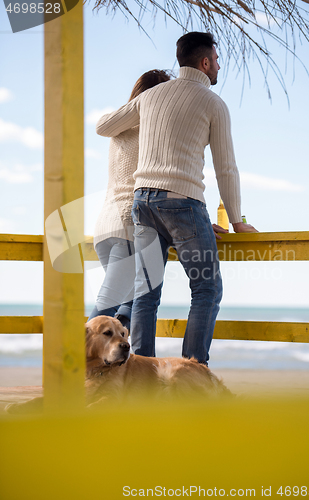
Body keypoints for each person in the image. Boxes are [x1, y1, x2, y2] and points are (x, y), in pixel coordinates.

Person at [95, 32, 258, 364]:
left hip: (143, 203)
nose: (219, 66)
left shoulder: (152, 97)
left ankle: (141, 372)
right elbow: (226, 167)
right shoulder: (214, 103)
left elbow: (106, 126)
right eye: (217, 60)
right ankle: (192, 370)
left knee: (146, 295)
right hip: (183, 201)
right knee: (206, 290)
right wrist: (238, 220)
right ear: (205, 62)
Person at [89, 69, 171, 329]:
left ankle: (118, 365)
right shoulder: (153, 131)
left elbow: (102, 124)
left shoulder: (120, 128)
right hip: (131, 227)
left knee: (130, 303)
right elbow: (165, 182)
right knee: (105, 310)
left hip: (104, 229)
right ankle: (70, 365)